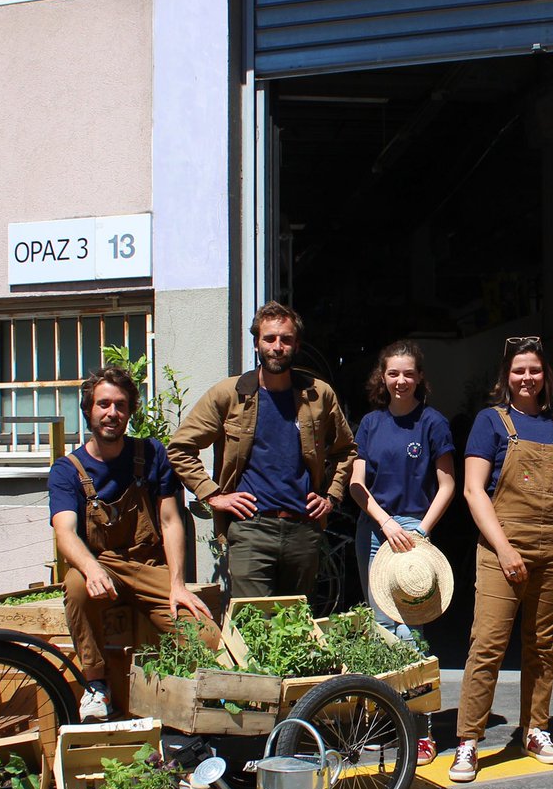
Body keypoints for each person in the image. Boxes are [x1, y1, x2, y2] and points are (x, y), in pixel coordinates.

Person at [449, 336, 553, 783]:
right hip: (502, 546)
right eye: (518, 371)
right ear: (505, 377)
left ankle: (536, 728)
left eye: (533, 370)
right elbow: (474, 491)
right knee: (487, 644)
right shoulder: (490, 423)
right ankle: (469, 742)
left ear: (545, 375)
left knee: (543, 644)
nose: (526, 378)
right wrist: (505, 549)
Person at [49, 366, 215, 721]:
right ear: (89, 410)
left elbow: (171, 521)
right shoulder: (68, 469)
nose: (112, 413)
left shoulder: (153, 454)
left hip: (149, 566)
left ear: (130, 411)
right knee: (76, 585)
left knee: (206, 637)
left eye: (121, 405)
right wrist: (91, 567)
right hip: (103, 566)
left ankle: (197, 706)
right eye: (103, 404)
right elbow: (65, 530)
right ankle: (96, 686)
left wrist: (177, 584)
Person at [168, 302, 355, 600]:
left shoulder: (319, 394)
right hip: (251, 529)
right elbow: (180, 448)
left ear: (296, 345)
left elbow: (346, 451)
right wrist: (213, 495)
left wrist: (331, 497)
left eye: (285, 339)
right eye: (269, 339)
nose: (277, 346)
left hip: (303, 529)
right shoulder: (229, 394)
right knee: (254, 624)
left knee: (295, 626)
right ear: (256, 343)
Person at [349, 339, 456, 765]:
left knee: (412, 634)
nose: (400, 381)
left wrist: (421, 531)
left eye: (408, 373)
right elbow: (357, 485)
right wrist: (384, 522)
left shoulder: (433, 423)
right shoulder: (371, 424)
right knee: (381, 630)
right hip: (376, 528)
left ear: (419, 378)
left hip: (415, 531)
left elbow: (447, 484)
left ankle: (420, 731)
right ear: (382, 377)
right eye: (393, 373)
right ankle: (386, 723)